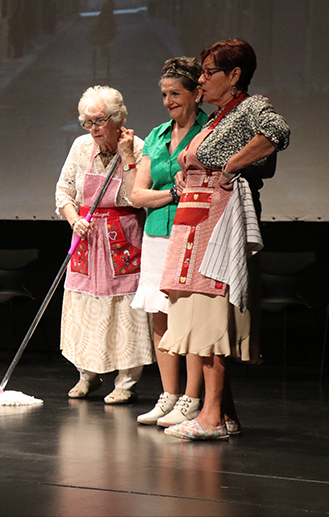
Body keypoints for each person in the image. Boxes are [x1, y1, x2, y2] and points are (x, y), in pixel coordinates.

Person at [159, 39, 290, 440]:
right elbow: (199, 159)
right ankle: (226, 414)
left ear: (234, 76)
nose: (201, 79)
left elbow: (278, 131)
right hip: (193, 223)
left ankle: (212, 417)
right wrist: (185, 173)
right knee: (197, 317)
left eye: (208, 72)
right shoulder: (218, 117)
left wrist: (232, 165)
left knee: (211, 319)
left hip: (217, 226)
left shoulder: (249, 107)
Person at [55, 86, 154, 404]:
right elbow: (63, 192)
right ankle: (87, 374)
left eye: (98, 121)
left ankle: (126, 381)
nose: (93, 129)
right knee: (84, 306)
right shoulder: (80, 147)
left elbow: (132, 197)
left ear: (117, 118)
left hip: (122, 238)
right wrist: (74, 219)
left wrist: (126, 158)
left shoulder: (138, 147)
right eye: (87, 122)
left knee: (124, 309)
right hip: (86, 238)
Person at [131, 58, 208, 426]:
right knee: (160, 314)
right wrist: (171, 195)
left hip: (193, 231)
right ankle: (169, 394)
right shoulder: (158, 135)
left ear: (196, 92)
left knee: (188, 315)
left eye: (175, 93)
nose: (168, 101)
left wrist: (163, 194)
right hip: (157, 232)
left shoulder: (208, 130)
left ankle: (192, 398)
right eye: (164, 94)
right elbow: (137, 195)